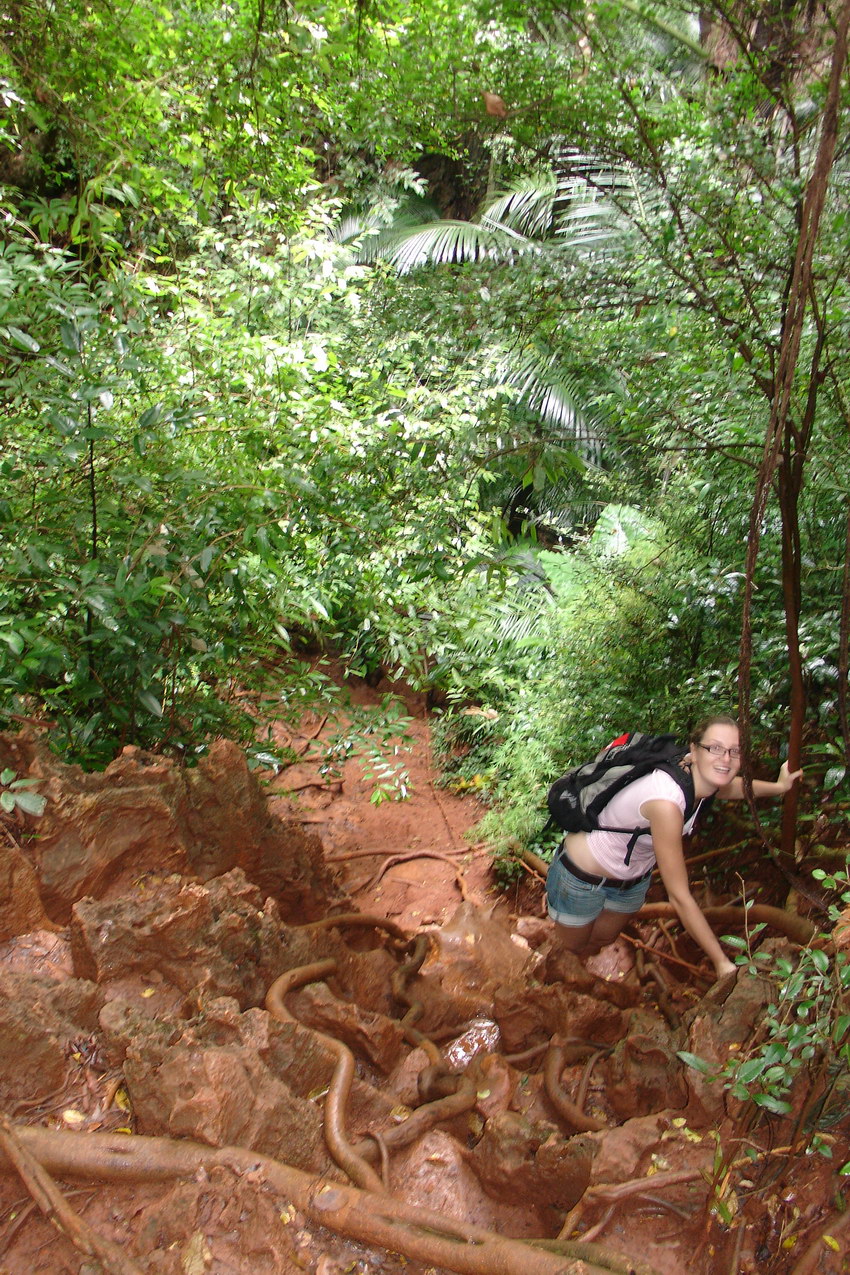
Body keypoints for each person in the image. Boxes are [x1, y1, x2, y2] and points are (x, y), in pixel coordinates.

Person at [545, 715, 803, 981]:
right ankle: (563, 990)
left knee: (601, 939)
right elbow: (679, 896)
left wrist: (779, 787)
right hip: (580, 878)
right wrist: (721, 962)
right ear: (694, 749)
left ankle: (581, 980)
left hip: (631, 884)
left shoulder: (701, 774)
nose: (725, 759)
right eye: (715, 748)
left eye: (734, 751)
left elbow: (726, 789)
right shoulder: (666, 803)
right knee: (571, 948)